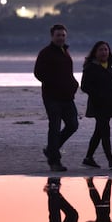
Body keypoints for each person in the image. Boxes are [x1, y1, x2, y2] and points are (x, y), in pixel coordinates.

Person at [34, 24, 79, 172]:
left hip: (67, 96)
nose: (61, 38)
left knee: (73, 125)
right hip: (52, 97)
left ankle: (51, 149)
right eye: (58, 35)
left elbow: (68, 73)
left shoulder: (65, 51)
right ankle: (54, 161)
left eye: (63, 35)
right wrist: (54, 83)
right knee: (54, 127)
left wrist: (73, 84)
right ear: (52, 36)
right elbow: (38, 73)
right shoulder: (45, 53)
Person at [81, 41, 112, 170]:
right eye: (101, 50)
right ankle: (110, 160)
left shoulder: (111, 66)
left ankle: (88, 158)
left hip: (111, 103)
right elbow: (84, 86)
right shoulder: (90, 67)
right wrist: (98, 95)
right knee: (105, 130)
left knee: (99, 131)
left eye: (106, 49)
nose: (104, 52)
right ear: (95, 52)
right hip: (98, 104)